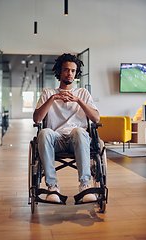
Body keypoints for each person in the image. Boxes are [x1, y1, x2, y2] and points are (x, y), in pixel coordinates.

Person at [33, 53, 100, 203]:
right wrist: (52, 99)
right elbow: (37, 119)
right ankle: (53, 187)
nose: (69, 73)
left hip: (78, 139)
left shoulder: (83, 93)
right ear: (59, 71)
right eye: (66, 70)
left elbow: (96, 118)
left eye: (72, 71)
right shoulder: (48, 93)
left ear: (76, 73)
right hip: (55, 140)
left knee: (78, 131)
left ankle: (85, 185)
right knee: (44, 132)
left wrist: (78, 100)